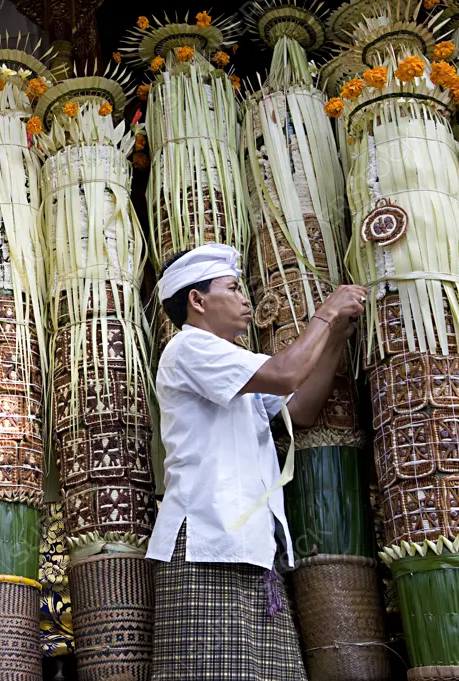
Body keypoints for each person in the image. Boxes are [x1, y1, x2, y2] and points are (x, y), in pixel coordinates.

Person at [147, 243, 367, 681]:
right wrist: (323, 315)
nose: (245, 298)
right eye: (232, 288)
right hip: (204, 544)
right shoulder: (189, 349)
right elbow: (287, 373)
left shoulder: (236, 363)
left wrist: (336, 339)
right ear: (197, 300)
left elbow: (299, 408)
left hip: (247, 545)